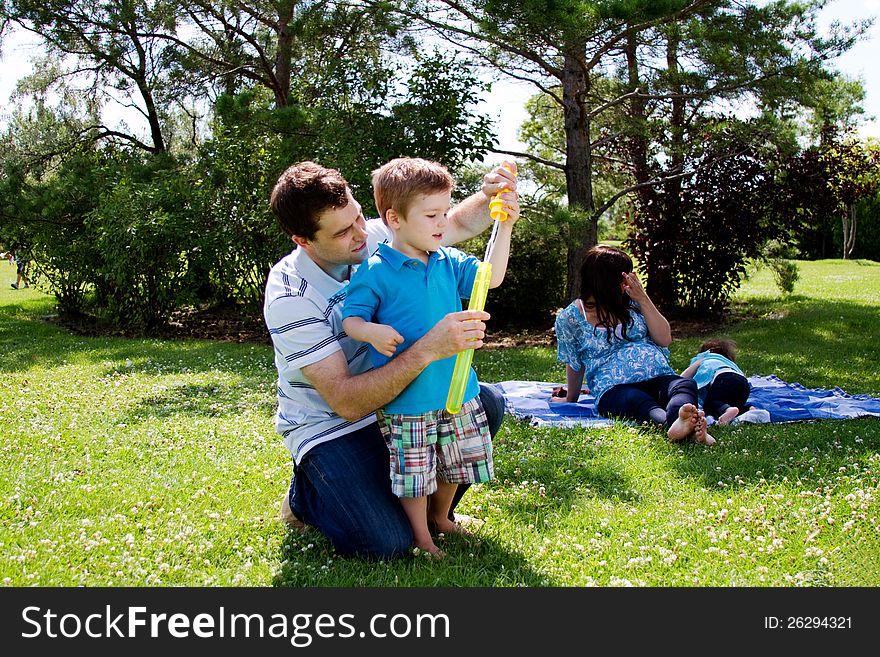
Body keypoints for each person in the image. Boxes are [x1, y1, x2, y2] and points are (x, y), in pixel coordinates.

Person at [264, 159, 518, 559]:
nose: (361, 234)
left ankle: (437, 514)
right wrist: (428, 348)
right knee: (384, 542)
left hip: (401, 401)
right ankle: (307, 495)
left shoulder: (382, 233)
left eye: (357, 216)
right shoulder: (290, 297)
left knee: (484, 404)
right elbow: (346, 403)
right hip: (332, 425)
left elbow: (456, 223)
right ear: (304, 240)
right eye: (343, 231)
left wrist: (492, 198)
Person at [341, 157, 517, 558]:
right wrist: (371, 331)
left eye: (445, 211)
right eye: (433, 215)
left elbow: (493, 276)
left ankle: (442, 518)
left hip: (458, 392)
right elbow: (351, 318)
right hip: (408, 403)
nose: (443, 223)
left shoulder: (448, 261)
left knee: (457, 464)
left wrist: (504, 225)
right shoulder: (375, 270)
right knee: (415, 476)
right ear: (395, 219)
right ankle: (421, 534)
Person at [552, 244, 715, 446]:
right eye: (624, 276)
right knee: (635, 400)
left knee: (683, 384)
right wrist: (571, 398)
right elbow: (574, 362)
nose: (629, 281)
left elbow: (664, 339)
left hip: (658, 376)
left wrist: (643, 299)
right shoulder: (572, 317)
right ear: (605, 281)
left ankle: (682, 421)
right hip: (615, 388)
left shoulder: (632, 302)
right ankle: (675, 425)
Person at [680, 338, 770, 425]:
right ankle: (750, 409)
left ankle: (728, 410)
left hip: (723, 379)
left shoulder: (705, 358)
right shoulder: (730, 364)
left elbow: (685, 375)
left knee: (711, 403)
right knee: (734, 403)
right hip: (743, 383)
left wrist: (676, 384)